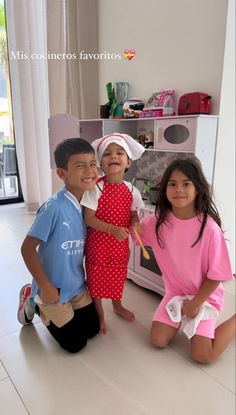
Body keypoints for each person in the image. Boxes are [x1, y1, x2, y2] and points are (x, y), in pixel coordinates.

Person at [140, 158, 235, 364]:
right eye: (172, 184)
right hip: (175, 293)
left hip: (205, 297)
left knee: (203, 356)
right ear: (165, 189)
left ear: (198, 188)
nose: (178, 189)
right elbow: (136, 232)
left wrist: (196, 303)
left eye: (186, 184)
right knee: (157, 340)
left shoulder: (209, 229)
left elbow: (217, 276)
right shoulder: (156, 222)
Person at [17, 138, 100, 353]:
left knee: (92, 329)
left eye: (92, 163)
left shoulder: (89, 203)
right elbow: (27, 249)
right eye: (80, 165)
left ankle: (63, 307)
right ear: (62, 174)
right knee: (76, 344)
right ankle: (33, 299)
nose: (90, 170)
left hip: (76, 285)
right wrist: (45, 287)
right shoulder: (53, 208)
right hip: (52, 289)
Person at [81, 133, 145, 334]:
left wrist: (135, 223)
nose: (113, 156)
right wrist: (111, 229)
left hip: (119, 246)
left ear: (129, 161)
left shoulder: (132, 190)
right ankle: (99, 313)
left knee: (118, 276)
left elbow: (133, 214)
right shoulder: (95, 188)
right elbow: (88, 218)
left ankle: (117, 305)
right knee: (96, 279)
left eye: (119, 153)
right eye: (107, 154)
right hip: (98, 245)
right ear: (101, 162)